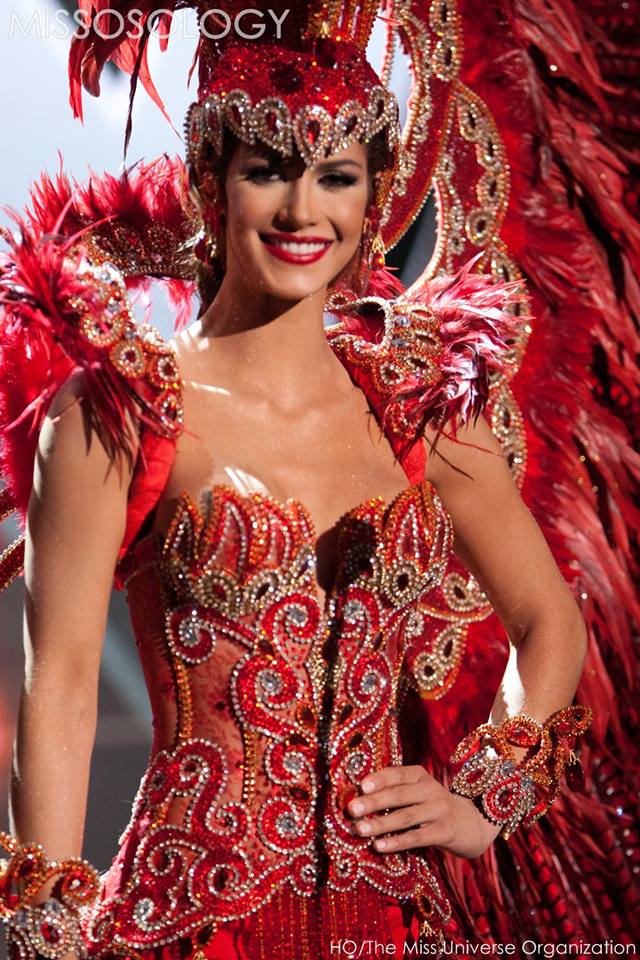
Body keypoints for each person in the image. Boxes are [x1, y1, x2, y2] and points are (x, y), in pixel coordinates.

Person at [0, 0, 609, 957]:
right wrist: (47, 933)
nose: (302, 212)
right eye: (268, 170)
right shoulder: (120, 409)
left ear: (374, 194)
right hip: (192, 925)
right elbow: (64, 687)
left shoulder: (419, 405)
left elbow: (549, 622)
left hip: (395, 925)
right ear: (211, 181)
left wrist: (484, 800)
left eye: (336, 176)